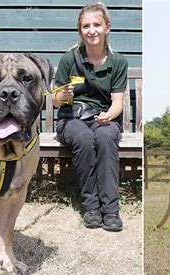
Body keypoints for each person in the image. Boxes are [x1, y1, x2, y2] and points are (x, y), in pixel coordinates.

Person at [53, 2, 128, 232]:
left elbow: (118, 103)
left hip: (103, 117)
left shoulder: (118, 62)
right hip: (72, 118)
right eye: (86, 26)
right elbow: (56, 100)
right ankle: (92, 208)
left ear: (107, 27)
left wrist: (108, 116)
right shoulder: (69, 59)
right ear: (80, 31)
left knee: (105, 139)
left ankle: (111, 211)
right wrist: (63, 95)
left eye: (97, 24)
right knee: (85, 139)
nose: (91, 30)